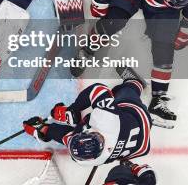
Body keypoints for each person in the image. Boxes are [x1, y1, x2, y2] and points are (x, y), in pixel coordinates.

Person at [72, 0, 188, 128]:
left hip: (163, 11)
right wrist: (100, 0)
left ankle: (158, 99)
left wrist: (185, 28)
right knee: (113, 22)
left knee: (164, 48)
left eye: (174, 3)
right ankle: (87, 50)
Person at [23, 68, 151, 166]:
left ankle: (75, 116)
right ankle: (135, 82)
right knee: (125, 93)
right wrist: (73, 109)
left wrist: (43, 129)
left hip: (138, 149)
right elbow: (98, 90)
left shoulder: (83, 158)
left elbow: (67, 137)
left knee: (111, 98)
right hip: (138, 118)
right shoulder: (106, 120)